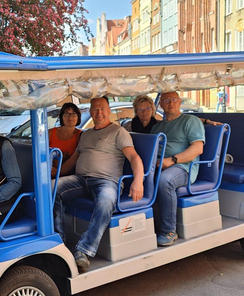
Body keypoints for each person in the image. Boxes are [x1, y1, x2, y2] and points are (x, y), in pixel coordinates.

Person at [54, 96, 144, 271]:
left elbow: (134, 157)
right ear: (90, 112)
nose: (99, 112)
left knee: (105, 201)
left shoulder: (119, 132)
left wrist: (138, 181)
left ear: (109, 110)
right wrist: (53, 174)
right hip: (80, 179)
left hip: (106, 181)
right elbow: (73, 161)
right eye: (95, 109)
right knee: (50, 189)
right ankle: (59, 242)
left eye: (102, 109)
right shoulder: (86, 134)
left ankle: (84, 250)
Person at [150, 92, 205, 246]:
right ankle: (149, 226)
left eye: (174, 99)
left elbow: (197, 149)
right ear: (160, 104)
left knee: (164, 180)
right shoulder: (157, 127)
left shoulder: (191, 121)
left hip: (184, 167)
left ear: (180, 102)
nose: (170, 103)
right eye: (166, 100)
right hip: (159, 165)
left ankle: (169, 231)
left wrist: (172, 160)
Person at [124, 95, 221, 133]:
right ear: (136, 112)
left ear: (152, 110)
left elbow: (181, 120)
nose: (144, 112)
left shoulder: (159, 125)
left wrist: (207, 121)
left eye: (147, 108)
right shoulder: (128, 126)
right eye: (141, 109)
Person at [49, 103, 82, 178]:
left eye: (73, 114)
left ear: (78, 117)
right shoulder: (51, 133)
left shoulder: (80, 135)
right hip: (48, 173)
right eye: (66, 114)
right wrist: (48, 167)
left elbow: (75, 159)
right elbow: (42, 154)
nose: (70, 117)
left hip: (69, 175)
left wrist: (57, 172)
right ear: (61, 117)